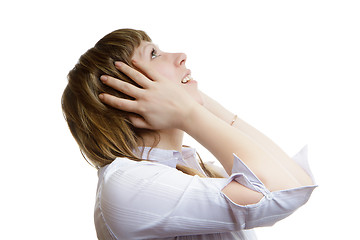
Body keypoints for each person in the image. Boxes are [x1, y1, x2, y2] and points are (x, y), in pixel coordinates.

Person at [62, 28, 316, 240]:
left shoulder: (186, 166)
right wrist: (188, 112)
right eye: (154, 54)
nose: (181, 56)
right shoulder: (129, 183)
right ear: (127, 95)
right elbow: (281, 194)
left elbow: (298, 182)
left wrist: (194, 102)